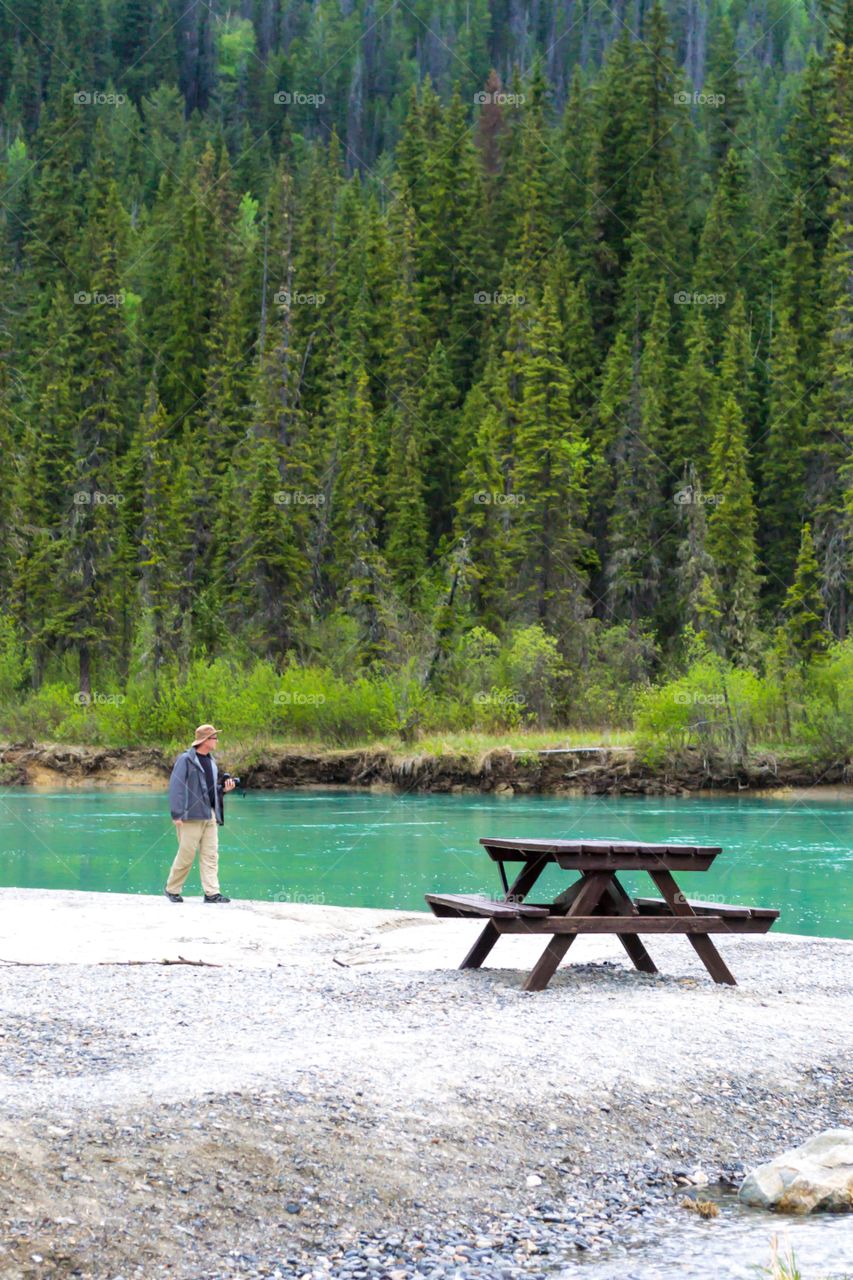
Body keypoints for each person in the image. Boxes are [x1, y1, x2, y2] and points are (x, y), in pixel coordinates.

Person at [164, 723, 236, 903]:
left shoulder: (211, 761)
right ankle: (172, 889)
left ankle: (212, 893)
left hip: (210, 815)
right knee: (186, 855)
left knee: (211, 855)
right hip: (190, 817)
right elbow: (176, 787)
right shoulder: (185, 759)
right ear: (205, 740)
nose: (217, 741)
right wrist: (177, 813)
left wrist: (224, 790)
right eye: (214, 738)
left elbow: (210, 790)